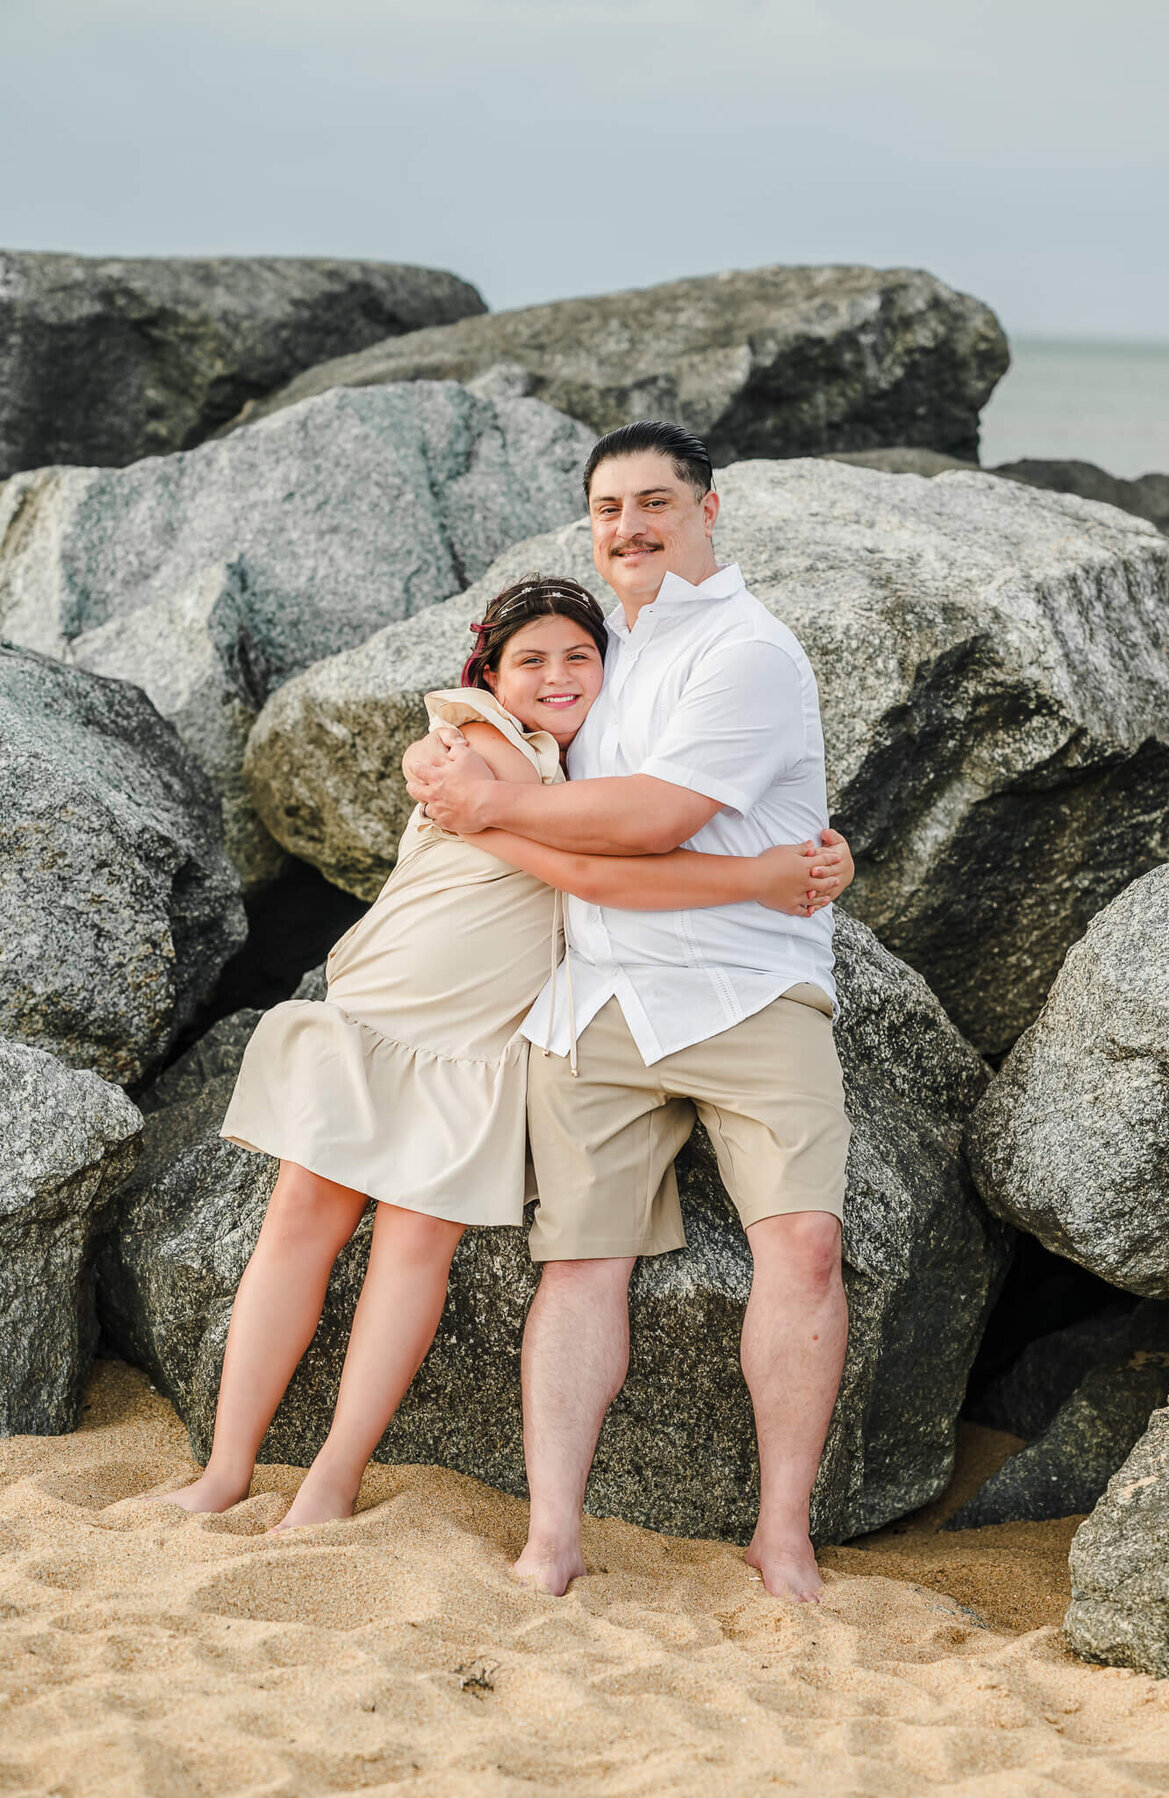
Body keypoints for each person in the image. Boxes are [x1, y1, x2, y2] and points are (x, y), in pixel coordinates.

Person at [143, 573, 853, 1530]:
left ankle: (332, 1478)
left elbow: (638, 829)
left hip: (477, 1049)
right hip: (385, 1011)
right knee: (299, 1223)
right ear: (490, 671)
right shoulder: (479, 743)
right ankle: (228, 1467)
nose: (558, 676)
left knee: (412, 1253)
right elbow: (597, 869)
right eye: (532, 660)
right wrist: (763, 874)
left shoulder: (580, 764)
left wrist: (811, 859)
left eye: (580, 656)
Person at [405, 422, 852, 1605]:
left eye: (656, 501)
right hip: (596, 992)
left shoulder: (749, 651)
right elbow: (503, 741)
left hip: (749, 982)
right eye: (608, 508)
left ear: (714, 509)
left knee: (803, 1244)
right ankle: (554, 1536)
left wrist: (491, 807)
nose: (631, 526)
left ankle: (783, 1535)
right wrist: (462, 776)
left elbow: (651, 817)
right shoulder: (599, 653)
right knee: (580, 1265)